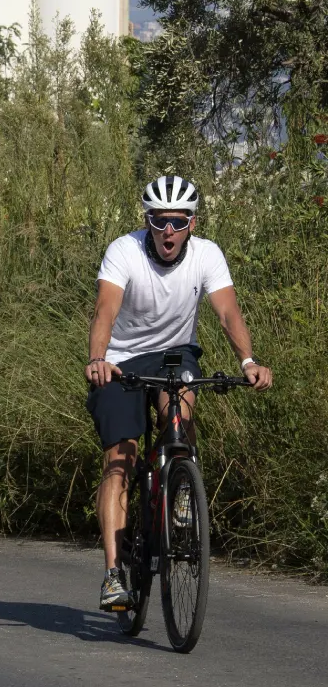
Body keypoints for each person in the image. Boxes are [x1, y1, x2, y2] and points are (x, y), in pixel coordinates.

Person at [86, 175, 272, 612]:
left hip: (175, 355)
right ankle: (114, 574)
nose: (169, 230)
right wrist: (98, 358)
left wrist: (248, 361)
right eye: (159, 220)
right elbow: (104, 310)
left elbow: (227, 312)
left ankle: (181, 489)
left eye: (179, 221)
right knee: (120, 459)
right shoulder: (124, 251)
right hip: (122, 359)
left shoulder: (207, 254)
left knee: (181, 417)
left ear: (192, 222)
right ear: (147, 221)